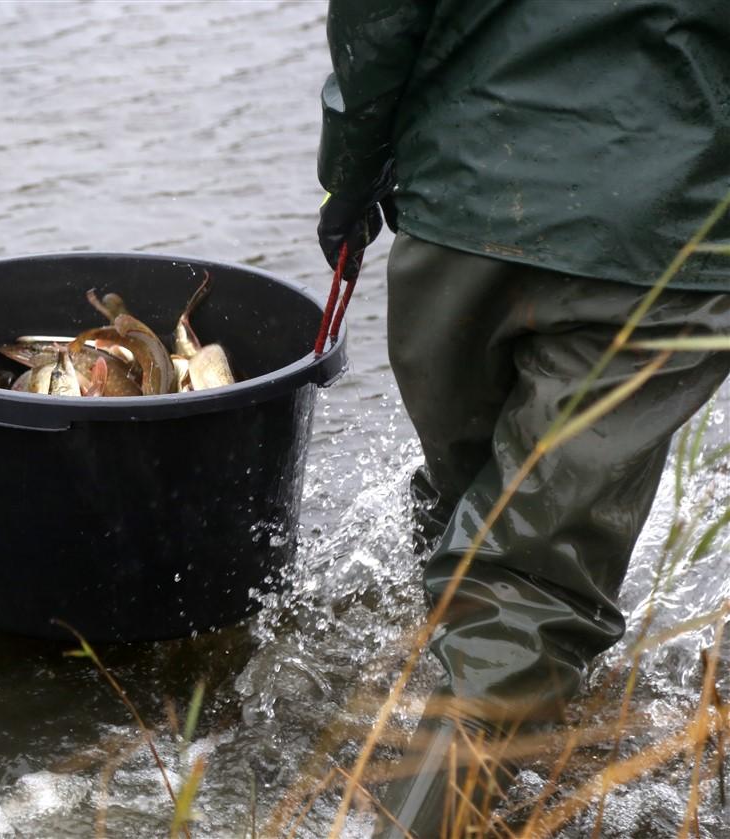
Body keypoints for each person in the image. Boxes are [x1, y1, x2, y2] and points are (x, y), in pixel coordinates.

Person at [316, 0, 729, 835]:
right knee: (523, 589)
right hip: (659, 239)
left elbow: (378, 17)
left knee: (477, 511)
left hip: (463, 214)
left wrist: (350, 177)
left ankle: (440, 728)